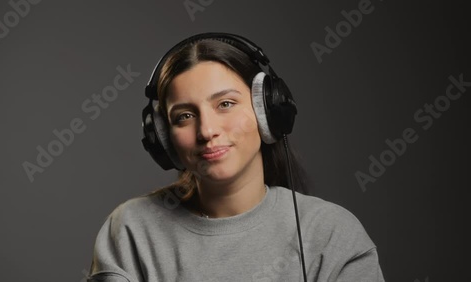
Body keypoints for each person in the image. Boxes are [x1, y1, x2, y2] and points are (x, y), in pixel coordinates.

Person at [86, 32, 385, 282]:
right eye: (185, 116)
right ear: (163, 138)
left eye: (225, 103)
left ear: (266, 110)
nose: (207, 130)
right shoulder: (131, 230)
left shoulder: (332, 235)